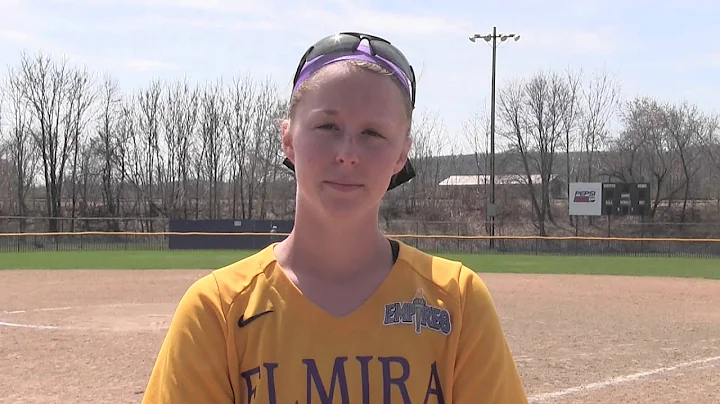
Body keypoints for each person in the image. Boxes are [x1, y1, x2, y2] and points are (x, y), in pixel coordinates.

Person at [141, 32, 527, 403]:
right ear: (288, 139)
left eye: (373, 133)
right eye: (327, 126)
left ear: (401, 156)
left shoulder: (456, 301)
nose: (347, 153)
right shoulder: (217, 310)